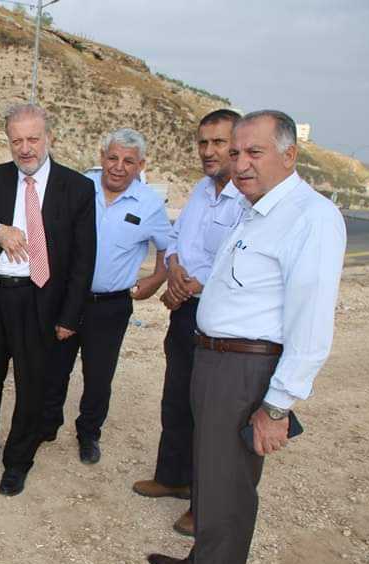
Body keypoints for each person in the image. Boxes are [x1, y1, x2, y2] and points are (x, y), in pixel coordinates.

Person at [144, 110, 346, 564]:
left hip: (246, 369)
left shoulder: (311, 217)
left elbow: (310, 321)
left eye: (254, 152)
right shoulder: (254, 211)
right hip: (214, 358)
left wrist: (277, 406)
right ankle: (202, 563)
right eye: (235, 153)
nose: (240, 163)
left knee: (230, 485)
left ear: (289, 155)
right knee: (210, 473)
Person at [0, 103, 96, 496]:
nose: (25, 148)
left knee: (32, 386)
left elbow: (84, 260)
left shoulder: (77, 188)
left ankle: (18, 461)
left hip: (40, 301)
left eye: (33, 139)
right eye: (17, 140)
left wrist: (69, 317)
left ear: (49, 138)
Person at [132, 109, 243, 536]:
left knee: (209, 413)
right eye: (203, 143)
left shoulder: (246, 199)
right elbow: (177, 239)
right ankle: (173, 477)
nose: (209, 151)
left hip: (218, 316)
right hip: (185, 310)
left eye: (219, 143)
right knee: (176, 398)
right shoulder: (200, 190)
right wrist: (175, 270)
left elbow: (236, 260)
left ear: (237, 146)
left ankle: (204, 503)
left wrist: (192, 284)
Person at [42, 128, 171, 464]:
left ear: (141, 165)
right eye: (112, 158)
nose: (118, 167)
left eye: (128, 161)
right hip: (67, 298)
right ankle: (47, 424)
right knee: (54, 367)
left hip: (111, 306)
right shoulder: (80, 186)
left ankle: (88, 433)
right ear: (101, 157)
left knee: (99, 376)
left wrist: (157, 278)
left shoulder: (150, 203)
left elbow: (169, 245)